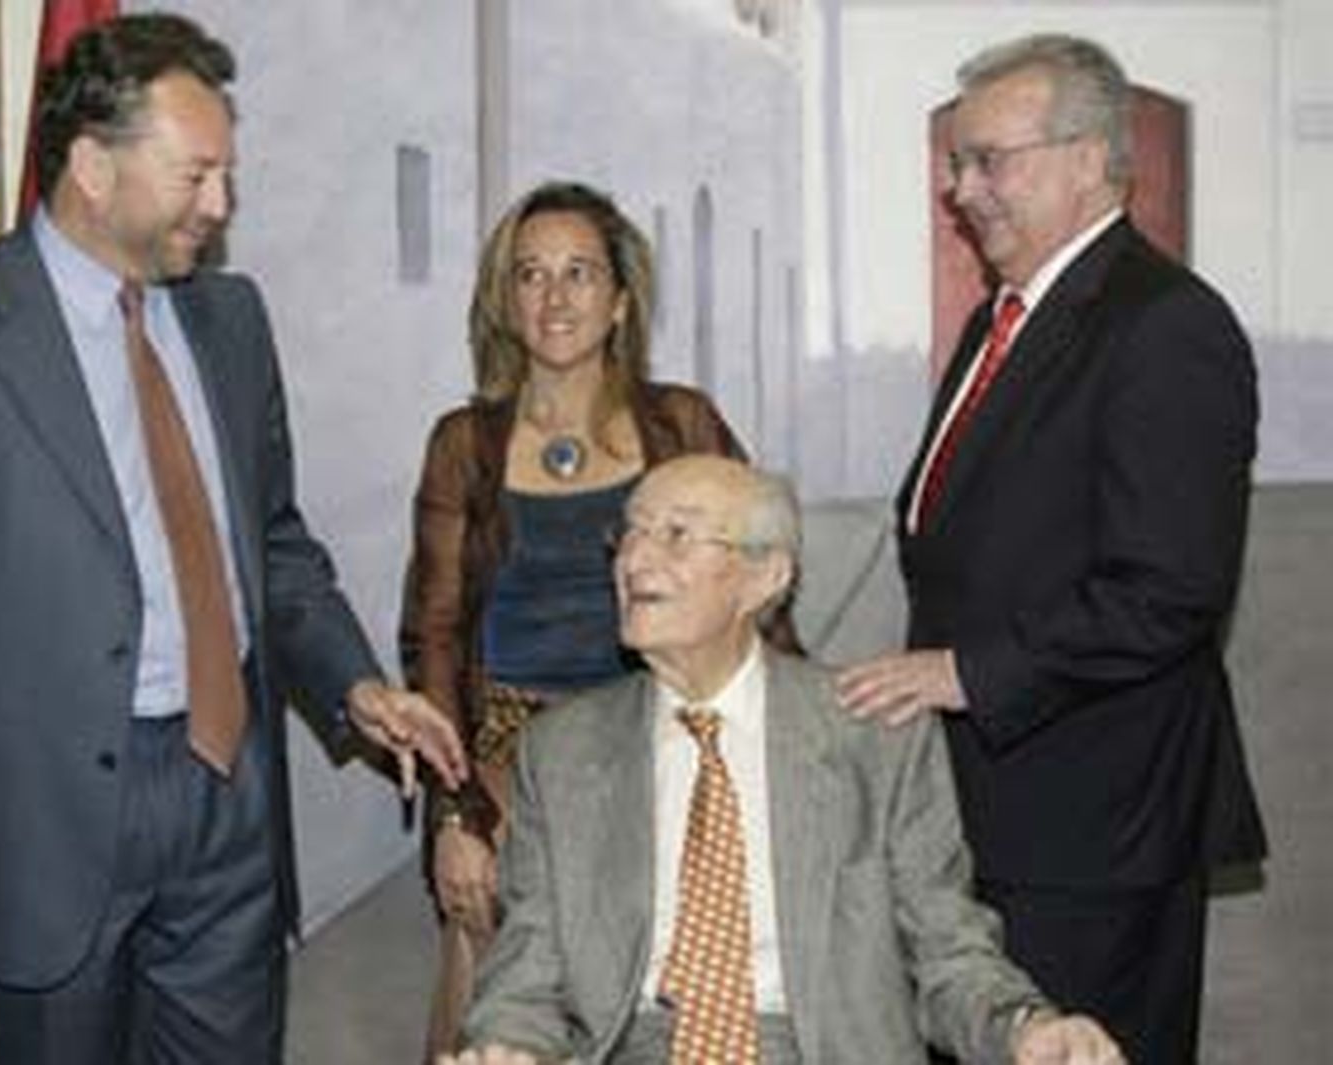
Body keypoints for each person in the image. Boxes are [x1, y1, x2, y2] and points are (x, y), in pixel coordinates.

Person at [0, 14, 464, 1064]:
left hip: (227, 802)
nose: (221, 204)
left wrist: (354, 682)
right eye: (196, 174)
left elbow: (271, 546)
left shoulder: (230, 321)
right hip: (32, 825)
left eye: (226, 175)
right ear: (91, 167)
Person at [837, 34, 1265, 1064]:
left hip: (1096, 831)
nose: (961, 189)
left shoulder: (1166, 326)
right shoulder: (1002, 320)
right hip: (992, 815)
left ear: (1090, 159)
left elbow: (1168, 591)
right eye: (957, 162)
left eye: (989, 160)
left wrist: (965, 673)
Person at [440, 455, 1124, 1065]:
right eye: (630, 533)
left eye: (676, 534)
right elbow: (525, 976)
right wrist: (507, 1048)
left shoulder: (874, 735)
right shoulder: (563, 750)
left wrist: (1025, 1029)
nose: (635, 559)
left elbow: (950, 953)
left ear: (764, 578)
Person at [400, 181, 793, 1058]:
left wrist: (809, 733)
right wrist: (455, 815)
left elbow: (756, 583)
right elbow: (434, 635)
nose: (555, 296)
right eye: (531, 274)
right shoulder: (463, 442)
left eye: (579, 272)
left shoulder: (681, 423)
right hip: (507, 744)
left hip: (659, 721)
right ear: (506, 301)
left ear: (619, 300)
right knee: (490, 901)